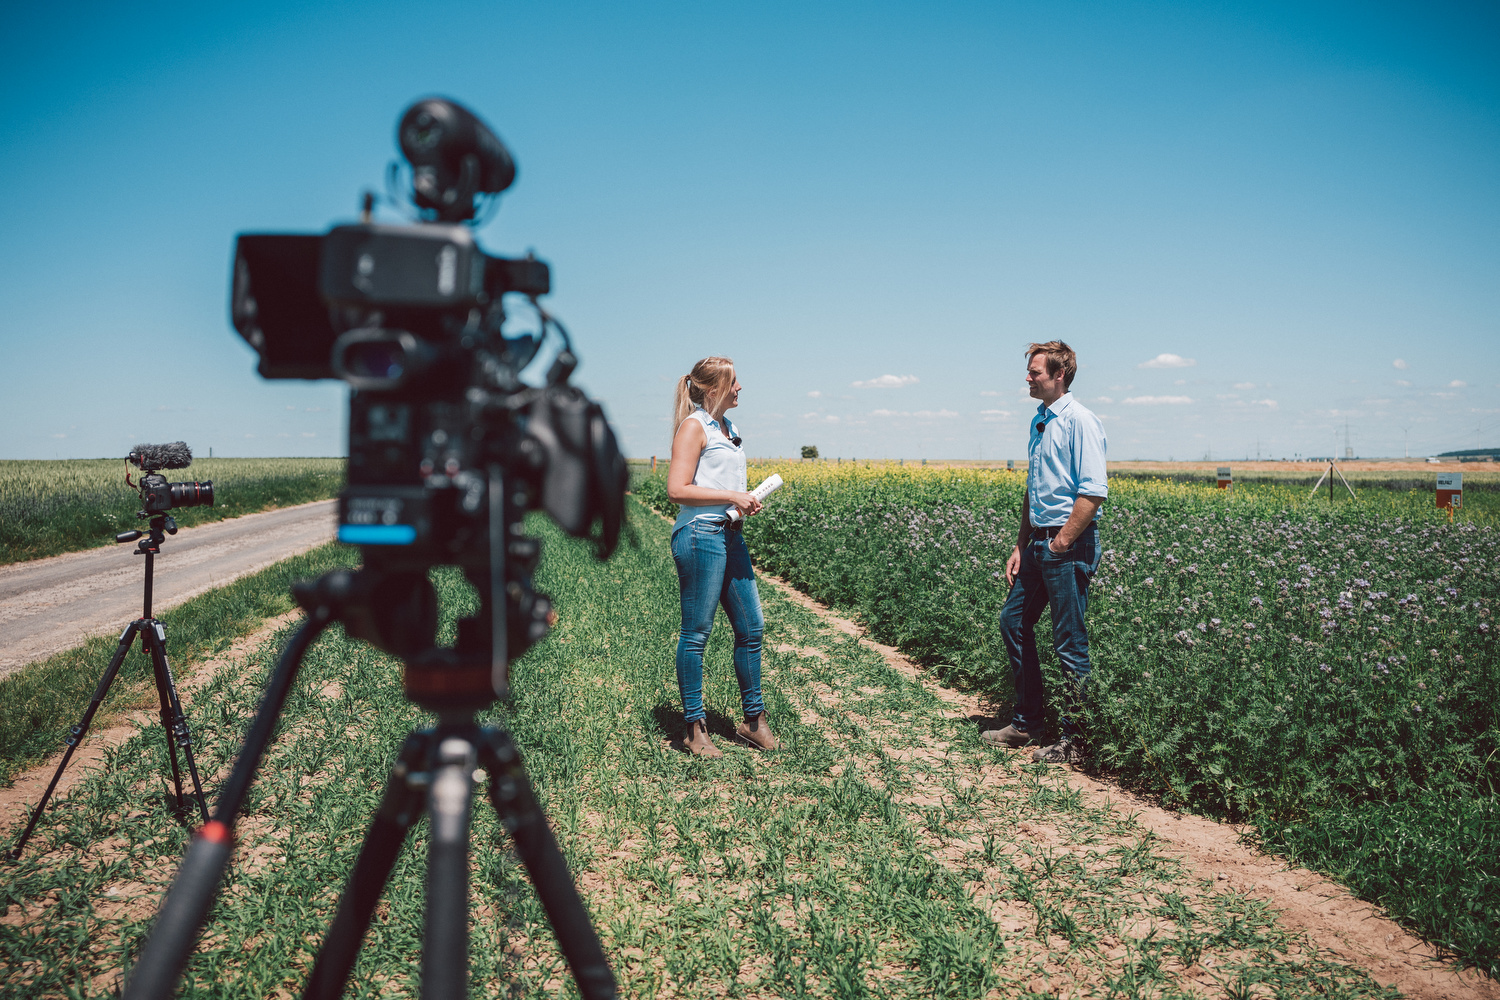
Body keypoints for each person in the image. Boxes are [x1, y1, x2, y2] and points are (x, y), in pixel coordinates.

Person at [982, 341, 1107, 764]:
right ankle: (1027, 723)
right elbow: (1033, 489)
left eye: (1035, 372)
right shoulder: (1040, 420)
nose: (1028, 378)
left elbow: (1093, 493)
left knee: (1069, 641)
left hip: (1066, 544)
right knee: (1013, 621)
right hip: (1039, 542)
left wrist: (1061, 543)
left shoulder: (1079, 421)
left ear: (1059, 375)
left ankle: (1076, 740)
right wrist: (1022, 543)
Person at [666, 356, 777, 757]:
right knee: (697, 633)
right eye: (733, 382)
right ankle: (694, 729)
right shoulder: (693, 427)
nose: (739, 387)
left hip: (731, 535)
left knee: (751, 628)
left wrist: (742, 503)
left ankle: (753, 722)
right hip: (700, 534)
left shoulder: (730, 429)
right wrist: (732, 495)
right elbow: (677, 489)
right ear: (713, 390)